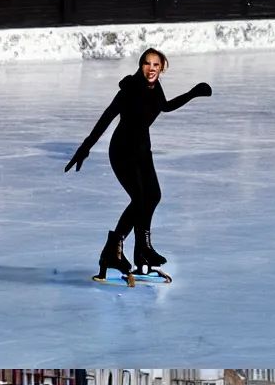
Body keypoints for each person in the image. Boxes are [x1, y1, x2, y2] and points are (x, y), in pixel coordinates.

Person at [65, 47, 212, 287]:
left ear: (162, 67)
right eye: (146, 63)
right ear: (140, 65)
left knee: (153, 195)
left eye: (156, 64)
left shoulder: (156, 88)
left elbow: (164, 106)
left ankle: (142, 254)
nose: (151, 68)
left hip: (143, 150)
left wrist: (192, 93)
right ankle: (113, 251)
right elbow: (107, 117)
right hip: (123, 150)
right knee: (140, 199)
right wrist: (85, 147)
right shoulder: (130, 89)